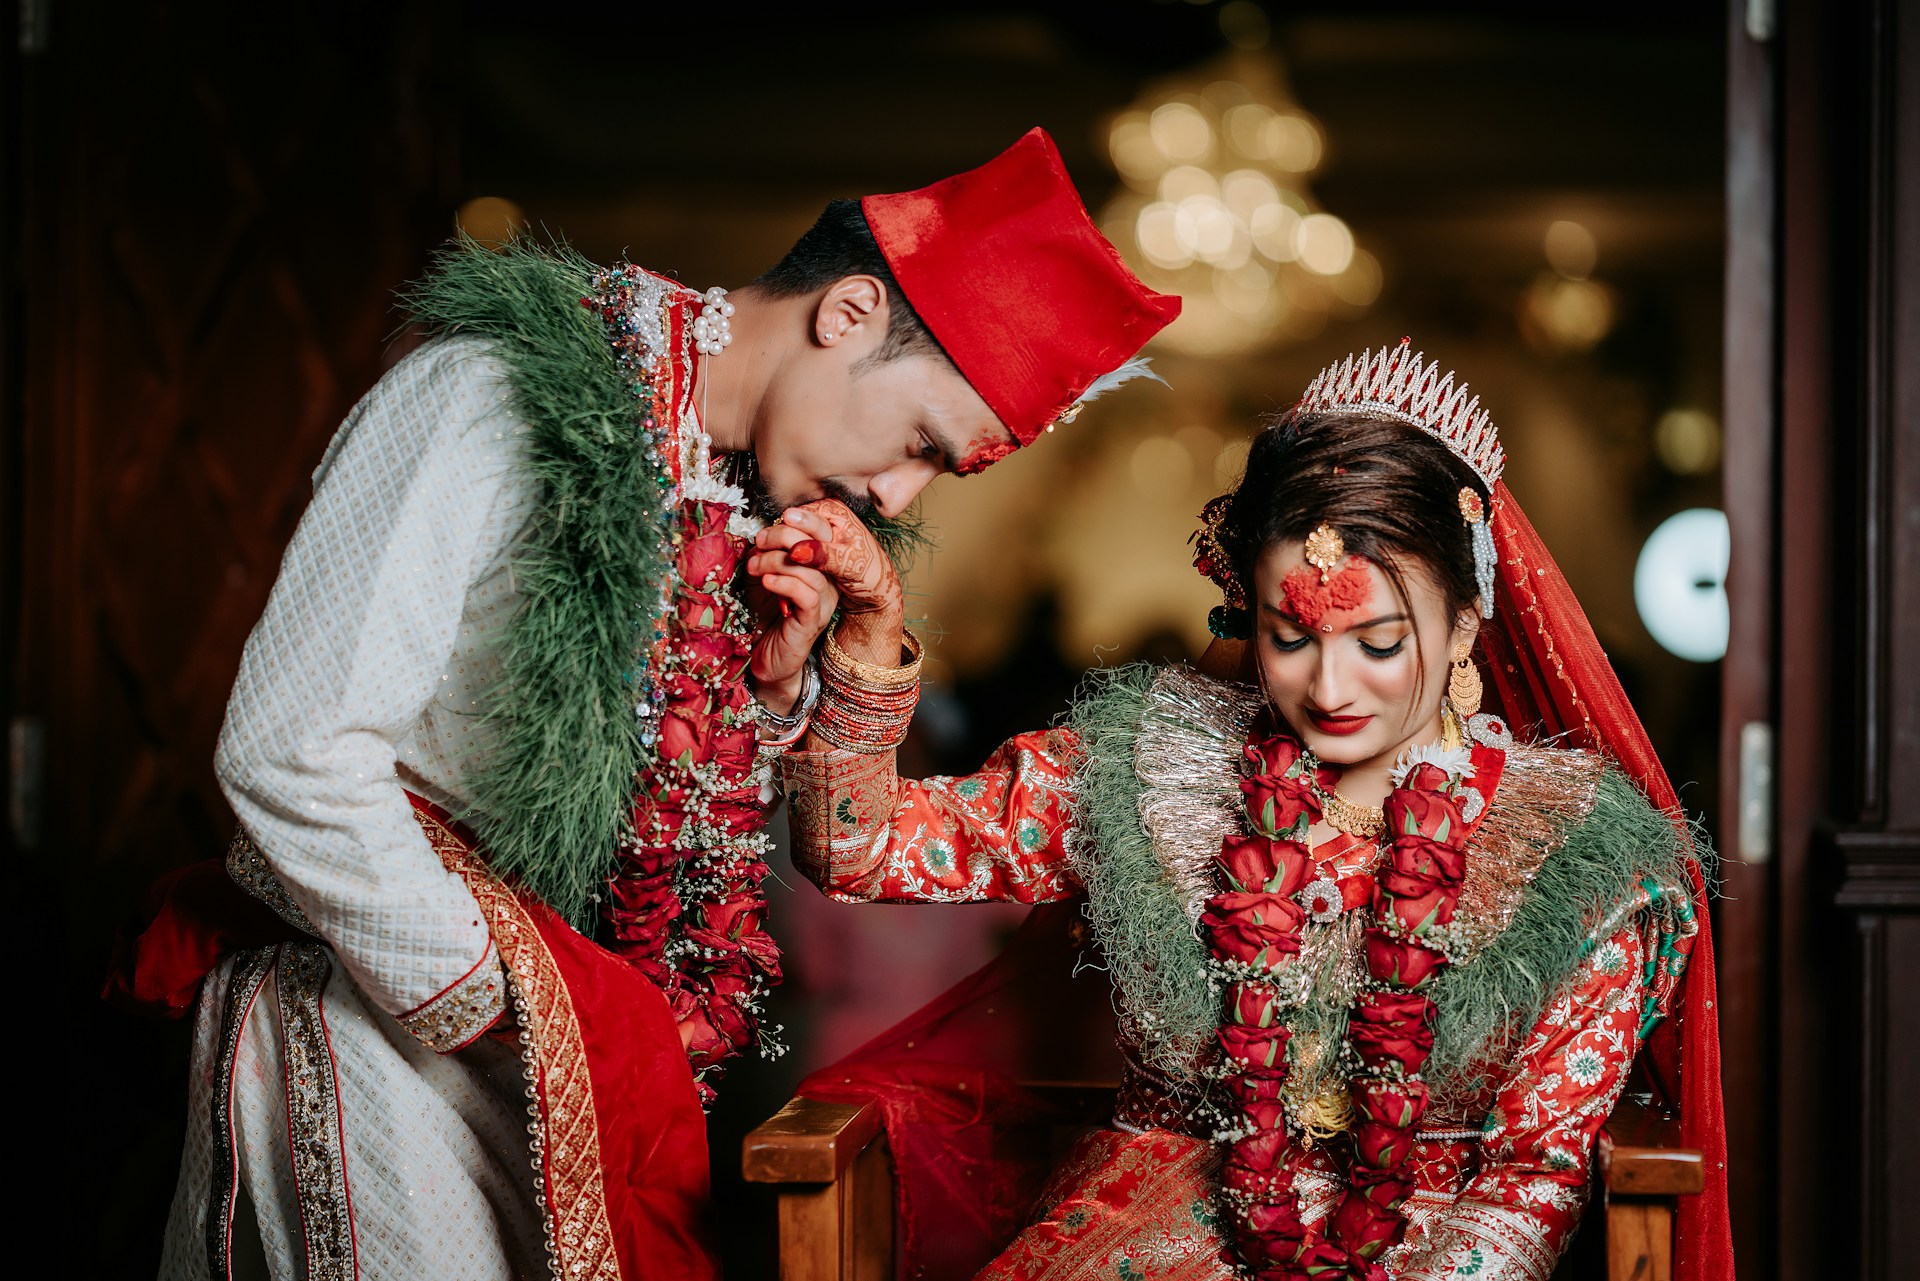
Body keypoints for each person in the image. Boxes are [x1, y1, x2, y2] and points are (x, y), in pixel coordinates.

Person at [116, 128, 1179, 1281]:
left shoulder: (732, 493)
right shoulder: (492, 398)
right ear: (851, 312)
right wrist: (507, 1005)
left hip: (567, 1055)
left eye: (939, 473)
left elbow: (673, 813)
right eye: (919, 443)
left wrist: (772, 696)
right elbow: (291, 750)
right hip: (383, 1018)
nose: (894, 492)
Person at [764, 342, 1734, 1280]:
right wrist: (869, 638)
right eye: (1291, 635)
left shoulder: (1575, 861)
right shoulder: (1149, 772)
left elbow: (1531, 1182)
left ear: (1466, 623)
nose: (1331, 685)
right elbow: (861, 850)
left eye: (1380, 641)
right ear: (1247, 612)